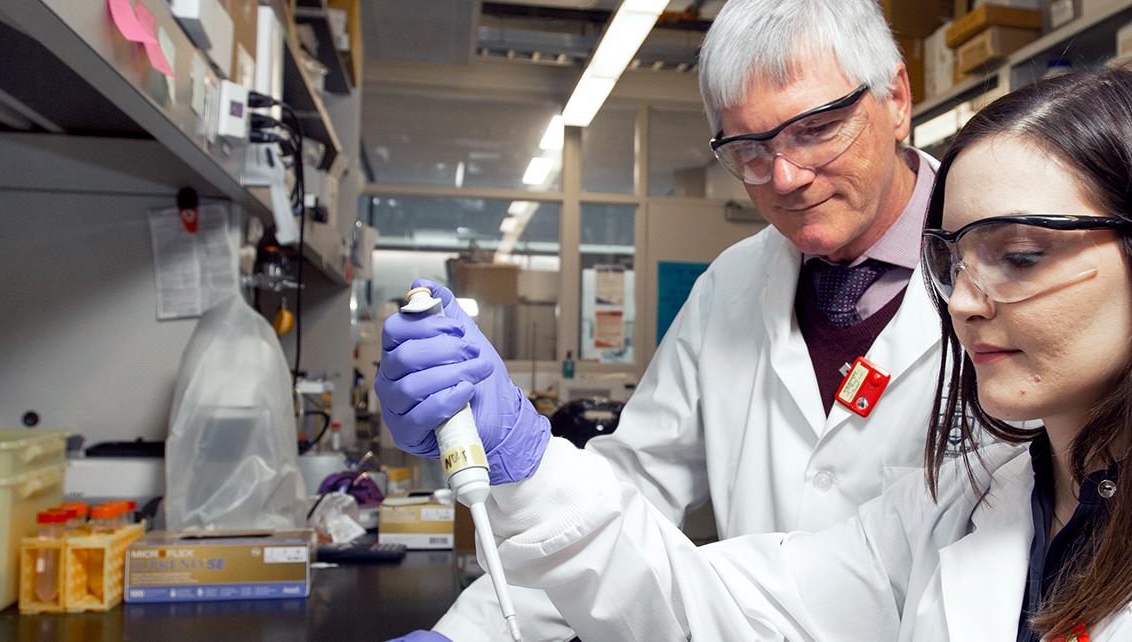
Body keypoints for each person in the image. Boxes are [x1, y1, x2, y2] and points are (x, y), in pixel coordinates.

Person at [422, 69, 1132, 640]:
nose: (965, 304)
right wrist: (527, 464)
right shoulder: (967, 504)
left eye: (1018, 256)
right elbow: (711, 604)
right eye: (953, 258)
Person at [377, 1, 959, 639]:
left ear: (897, 98)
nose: (787, 178)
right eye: (750, 150)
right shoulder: (730, 287)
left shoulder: (1005, 279)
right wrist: (470, 633)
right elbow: (629, 494)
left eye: (817, 129)